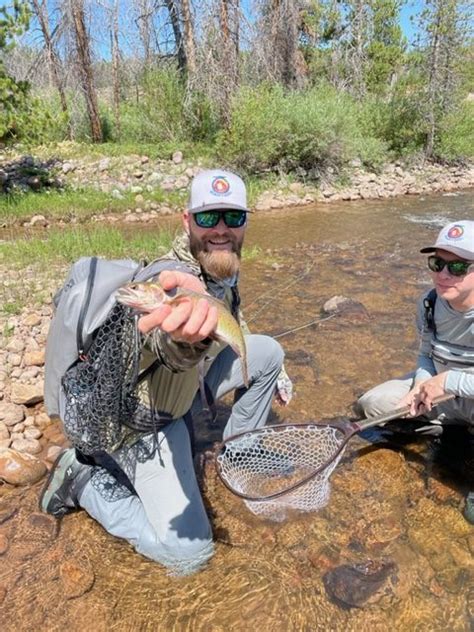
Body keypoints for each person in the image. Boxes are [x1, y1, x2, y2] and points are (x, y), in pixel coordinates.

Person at [39, 169, 293, 574]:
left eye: (233, 217)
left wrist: (264, 364)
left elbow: (231, 319)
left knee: (268, 353)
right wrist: (185, 341)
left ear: (246, 221)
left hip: (183, 387)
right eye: (208, 218)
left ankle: (240, 451)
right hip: (142, 418)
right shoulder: (169, 280)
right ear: (186, 221)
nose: (221, 230)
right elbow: (165, 341)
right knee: (188, 555)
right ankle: (81, 482)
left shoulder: (224, 268)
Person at [356, 219, 474, 522]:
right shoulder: (429, 302)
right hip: (442, 391)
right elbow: (425, 355)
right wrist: (420, 387)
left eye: (457, 267)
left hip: (462, 389)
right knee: (371, 405)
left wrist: (449, 380)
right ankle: (448, 430)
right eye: (437, 263)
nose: (443, 274)